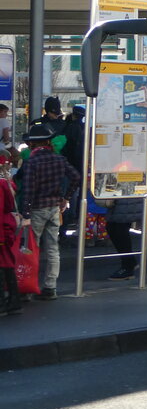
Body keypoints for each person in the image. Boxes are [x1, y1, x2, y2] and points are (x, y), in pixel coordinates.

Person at [14, 121, 81, 300]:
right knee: (53, 248)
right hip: (53, 208)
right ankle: (50, 288)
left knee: (31, 249)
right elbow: (76, 177)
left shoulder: (31, 162)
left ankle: (29, 287)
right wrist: (66, 198)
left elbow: (28, 189)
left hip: (36, 211)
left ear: (33, 143)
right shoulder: (59, 159)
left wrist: (25, 214)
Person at [104, 192, 143, 281]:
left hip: (128, 196)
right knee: (113, 227)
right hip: (122, 196)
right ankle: (129, 262)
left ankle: (128, 265)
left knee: (119, 229)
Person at [0, 174, 21, 315]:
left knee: (4, 263)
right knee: (6, 262)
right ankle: (13, 300)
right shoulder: (5, 183)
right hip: (4, 226)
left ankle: (5, 301)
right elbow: (9, 204)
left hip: (2, 227)